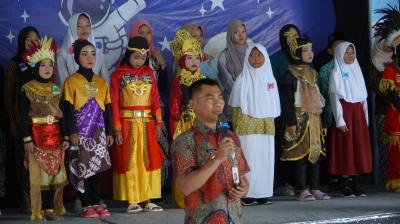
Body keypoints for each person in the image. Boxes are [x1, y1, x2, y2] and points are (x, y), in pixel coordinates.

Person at [171, 78, 250, 224]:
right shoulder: (185, 140)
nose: (218, 102)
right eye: (210, 98)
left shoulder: (231, 137)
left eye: (220, 97)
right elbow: (185, 187)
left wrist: (244, 188)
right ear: (192, 104)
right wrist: (217, 158)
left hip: (235, 218)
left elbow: (241, 176)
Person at [111, 36, 164, 213]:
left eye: (142, 58)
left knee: (147, 160)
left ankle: (148, 199)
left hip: (147, 124)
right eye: (136, 57)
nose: (139, 61)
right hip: (127, 124)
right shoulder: (118, 75)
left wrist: (159, 123)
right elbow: (114, 103)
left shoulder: (149, 74)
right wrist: (116, 128)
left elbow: (155, 99)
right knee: (131, 161)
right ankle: (132, 200)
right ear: (128, 55)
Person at [19, 37, 68, 220]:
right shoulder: (27, 88)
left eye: (50, 64)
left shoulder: (56, 89)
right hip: (36, 138)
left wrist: (64, 138)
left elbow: (61, 114)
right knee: (37, 176)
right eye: (43, 65)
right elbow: (23, 117)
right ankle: (37, 210)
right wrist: (27, 139)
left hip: (55, 137)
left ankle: (50, 208)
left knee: (54, 175)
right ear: (35, 67)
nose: (47, 68)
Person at [63, 39, 113, 218]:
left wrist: (110, 132)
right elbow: (67, 110)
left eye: (92, 53)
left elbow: (107, 109)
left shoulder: (101, 82)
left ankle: (96, 202)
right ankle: (85, 205)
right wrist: (71, 132)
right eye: (84, 54)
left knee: (97, 169)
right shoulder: (71, 81)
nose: (89, 57)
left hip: (98, 134)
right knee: (83, 169)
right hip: (80, 134)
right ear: (77, 57)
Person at [280, 36, 330, 201]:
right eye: (305, 50)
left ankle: (315, 188)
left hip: (314, 119)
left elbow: (318, 99)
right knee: (300, 155)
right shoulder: (290, 74)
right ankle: (301, 189)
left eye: (311, 49)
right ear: (296, 53)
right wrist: (291, 122)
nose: (310, 53)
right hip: (298, 119)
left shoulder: (314, 74)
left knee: (315, 154)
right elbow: (287, 101)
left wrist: (323, 122)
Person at [229, 44, 280, 205]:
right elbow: (236, 108)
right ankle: (247, 193)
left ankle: (263, 192)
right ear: (246, 58)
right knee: (248, 158)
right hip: (246, 128)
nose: (256, 59)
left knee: (265, 158)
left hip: (265, 126)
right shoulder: (242, 80)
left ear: (265, 57)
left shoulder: (270, 79)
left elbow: (274, 105)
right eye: (252, 55)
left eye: (259, 55)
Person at [130, 19, 171, 196]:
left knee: (160, 151)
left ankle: (156, 190)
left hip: (156, 111)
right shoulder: (129, 59)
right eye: (141, 32)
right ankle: (140, 192)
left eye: (148, 32)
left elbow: (162, 87)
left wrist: (162, 65)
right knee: (140, 153)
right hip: (136, 114)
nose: (145, 36)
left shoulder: (154, 57)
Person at [4, 26, 40, 213]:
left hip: (42, 124)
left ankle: (40, 199)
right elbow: (8, 95)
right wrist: (12, 120)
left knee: (39, 161)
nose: (33, 43)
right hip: (21, 122)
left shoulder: (44, 63)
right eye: (28, 39)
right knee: (23, 161)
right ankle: (25, 199)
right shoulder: (15, 64)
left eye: (36, 39)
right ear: (22, 42)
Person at [328, 41, 372, 197]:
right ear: (339, 54)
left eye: (352, 52)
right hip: (345, 113)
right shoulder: (336, 72)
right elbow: (335, 98)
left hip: (358, 115)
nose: (350, 55)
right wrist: (340, 120)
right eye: (346, 52)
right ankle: (345, 184)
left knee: (357, 148)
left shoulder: (357, 70)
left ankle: (356, 183)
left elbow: (363, 98)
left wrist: (365, 119)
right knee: (346, 148)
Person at [169, 30, 205, 207]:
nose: (194, 62)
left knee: (203, 159)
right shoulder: (178, 82)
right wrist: (177, 127)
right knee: (186, 160)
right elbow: (174, 107)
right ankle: (184, 197)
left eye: (197, 58)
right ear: (182, 60)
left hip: (202, 125)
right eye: (189, 58)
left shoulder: (204, 80)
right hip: (184, 126)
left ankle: (203, 195)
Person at [269, 24, 301, 197]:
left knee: (301, 148)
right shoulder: (276, 59)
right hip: (283, 111)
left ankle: (301, 184)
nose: (293, 38)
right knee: (284, 149)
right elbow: (272, 87)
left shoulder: (303, 57)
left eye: (296, 35)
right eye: (289, 35)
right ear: (283, 38)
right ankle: (282, 183)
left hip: (303, 113)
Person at [375, 4, 400, 192]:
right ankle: (396, 179)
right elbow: (389, 91)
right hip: (396, 113)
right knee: (396, 150)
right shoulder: (391, 69)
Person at [317, 32, 346, 190]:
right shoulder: (326, 69)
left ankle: (346, 176)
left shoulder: (352, 66)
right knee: (331, 146)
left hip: (347, 114)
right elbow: (321, 92)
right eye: (337, 48)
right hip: (330, 112)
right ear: (329, 51)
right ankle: (332, 177)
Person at [57, 12, 109, 86]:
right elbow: (63, 82)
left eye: (87, 25)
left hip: (97, 94)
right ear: (72, 27)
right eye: (79, 26)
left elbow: (105, 79)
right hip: (73, 95)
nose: (84, 29)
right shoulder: (64, 53)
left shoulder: (97, 51)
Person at [218, 19, 248, 111]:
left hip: (251, 99)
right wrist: (241, 94)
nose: (241, 35)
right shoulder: (224, 56)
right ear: (230, 35)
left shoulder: (252, 53)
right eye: (236, 32)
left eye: (243, 32)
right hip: (233, 99)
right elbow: (227, 80)